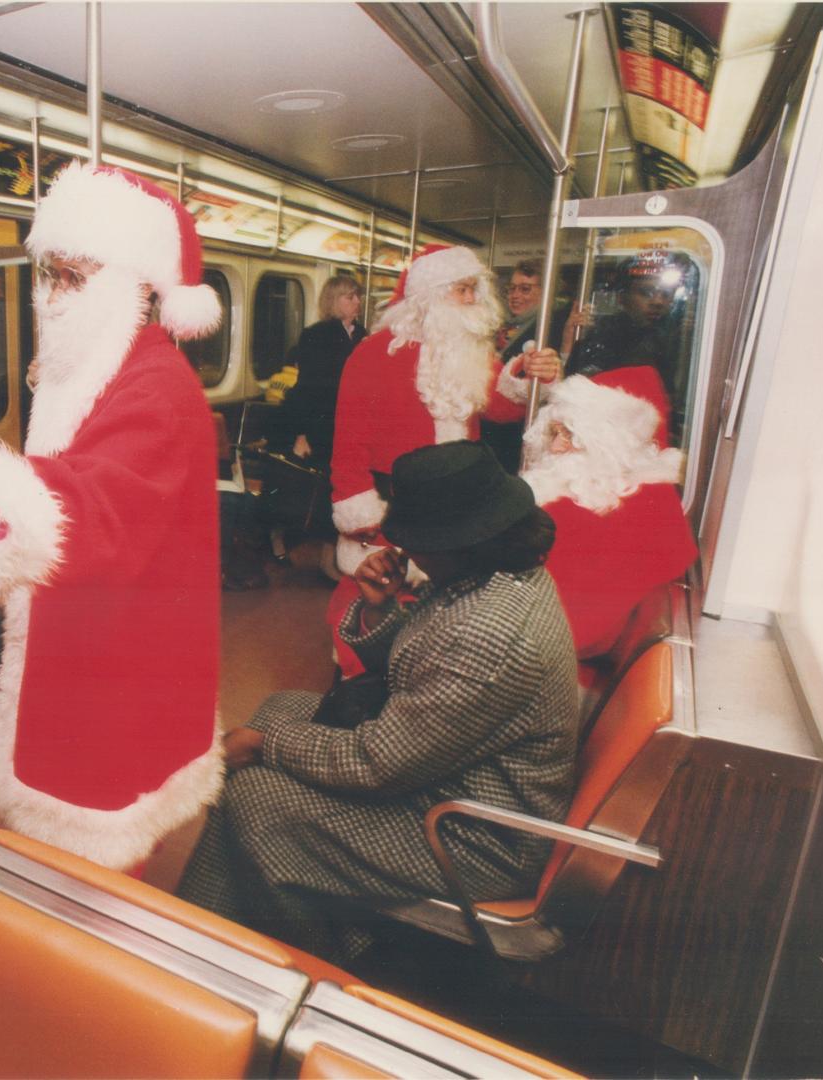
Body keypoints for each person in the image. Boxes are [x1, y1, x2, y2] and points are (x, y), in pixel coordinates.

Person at [0, 162, 224, 873]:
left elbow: (100, 506)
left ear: (137, 288)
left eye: (74, 278)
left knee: (102, 849)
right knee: (85, 847)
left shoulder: (153, 387)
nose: (52, 298)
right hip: (98, 635)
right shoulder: (94, 375)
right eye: (50, 276)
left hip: (120, 651)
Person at [178, 441, 579, 960]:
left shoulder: (495, 630)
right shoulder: (494, 574)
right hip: (447, 775)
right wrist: (379, 610)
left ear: (460, 541)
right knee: (280, 710)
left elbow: (377, 764)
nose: (405, 551)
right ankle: (205, 935)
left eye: (416, 540)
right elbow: (430, 670)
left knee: (258, 802)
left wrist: (262, 747)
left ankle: (321, 965)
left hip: (473, 833)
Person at [327, 244, 560, 677]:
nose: (474, 300)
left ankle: (425, 683)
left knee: (439, 606)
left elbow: (500, 409)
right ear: (429, 296)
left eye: (475, 290)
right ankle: (357, 682)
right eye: (463, 291)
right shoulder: (376, 353)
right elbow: (349, 438)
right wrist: (356, 504)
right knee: (369, 595)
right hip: (390, 503)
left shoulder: (471, 351)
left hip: (456, 505)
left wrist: (529, 376)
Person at [523, 371, 696, 662]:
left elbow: (573, 630)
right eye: (555, 432)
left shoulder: (636, 513)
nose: (555, 447)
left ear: (610, 446)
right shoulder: (599, 493)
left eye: (571, 435)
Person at [565, 254, 683, 445]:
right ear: (622, 298)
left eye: (666, 294)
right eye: (646, 293)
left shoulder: (677, 337)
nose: (658, 301)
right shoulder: (602, 336)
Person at [278, 273, 366, 466]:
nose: (358, 301)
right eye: (350, 297)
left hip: (354, 422)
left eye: (358, 296)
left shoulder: (362, 335)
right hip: (322, 423)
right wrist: (301, 435)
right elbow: (306, 388)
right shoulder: (316, 335)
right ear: (334, 301)